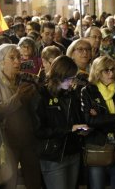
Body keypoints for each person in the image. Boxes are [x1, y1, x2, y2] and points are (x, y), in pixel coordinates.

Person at [0, 44, 41, 189]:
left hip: (28, 138)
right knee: (9, 182)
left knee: (34, 180)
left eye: (18, 57)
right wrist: (17, 98)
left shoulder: (25, 79)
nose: (18, 61)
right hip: (7, 141)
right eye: (12, 58)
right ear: (0, 61)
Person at [32, 56, 88, 189]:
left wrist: (82, 129)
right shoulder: (42, 95)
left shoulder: (71, 94)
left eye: (73, 78)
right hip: (53, 155)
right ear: (58, 75)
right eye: (68, 78)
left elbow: (77, 119)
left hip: (73, 152)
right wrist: (69, 129)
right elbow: (39, 130)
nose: (71, 82)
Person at [81, 56, 115, 189]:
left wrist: (101, 119)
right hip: (97, 144)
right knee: (96, 184)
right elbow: (89, 120)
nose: (111, 73)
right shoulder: (87, 92)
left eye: (113, 69)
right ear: (97, 73)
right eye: (106, 70)